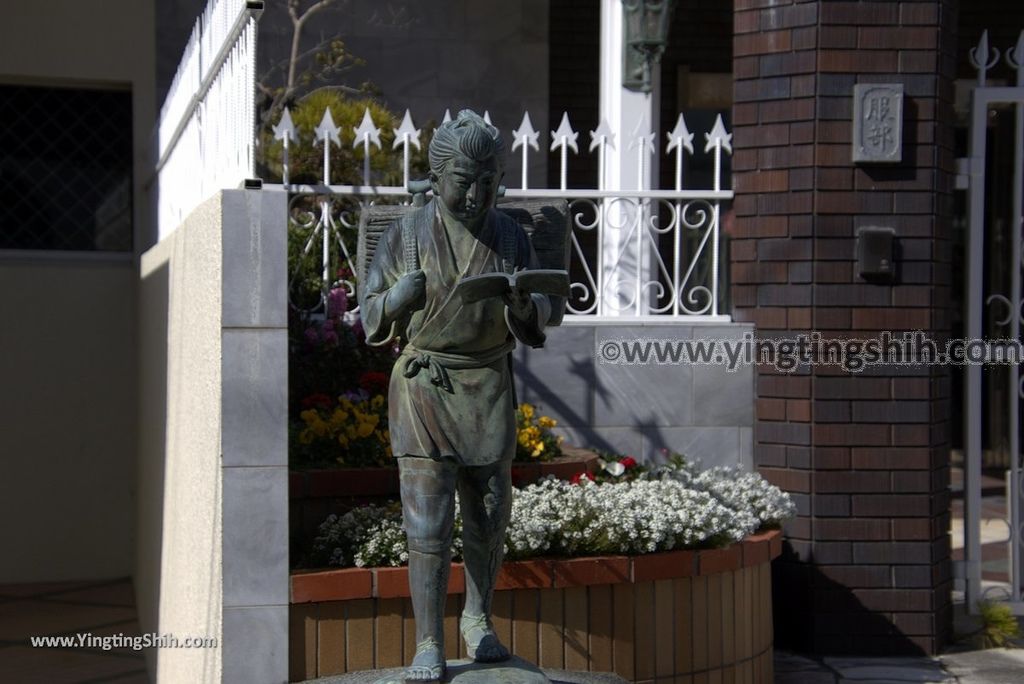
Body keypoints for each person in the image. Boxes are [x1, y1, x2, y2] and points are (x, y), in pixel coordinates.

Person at [359, 109, 551, 681]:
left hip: (487, 383)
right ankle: (427, 640)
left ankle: (477, 617)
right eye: (464, 181)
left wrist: (524, 307)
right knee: (427, 520)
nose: (475, 194)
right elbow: (368, 313)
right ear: (437, 178)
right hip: (425, 387)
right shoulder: (408, 233)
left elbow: (541, 310)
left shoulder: (511, 235)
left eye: (487, 183)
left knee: (490, 512)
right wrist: (396, 298)